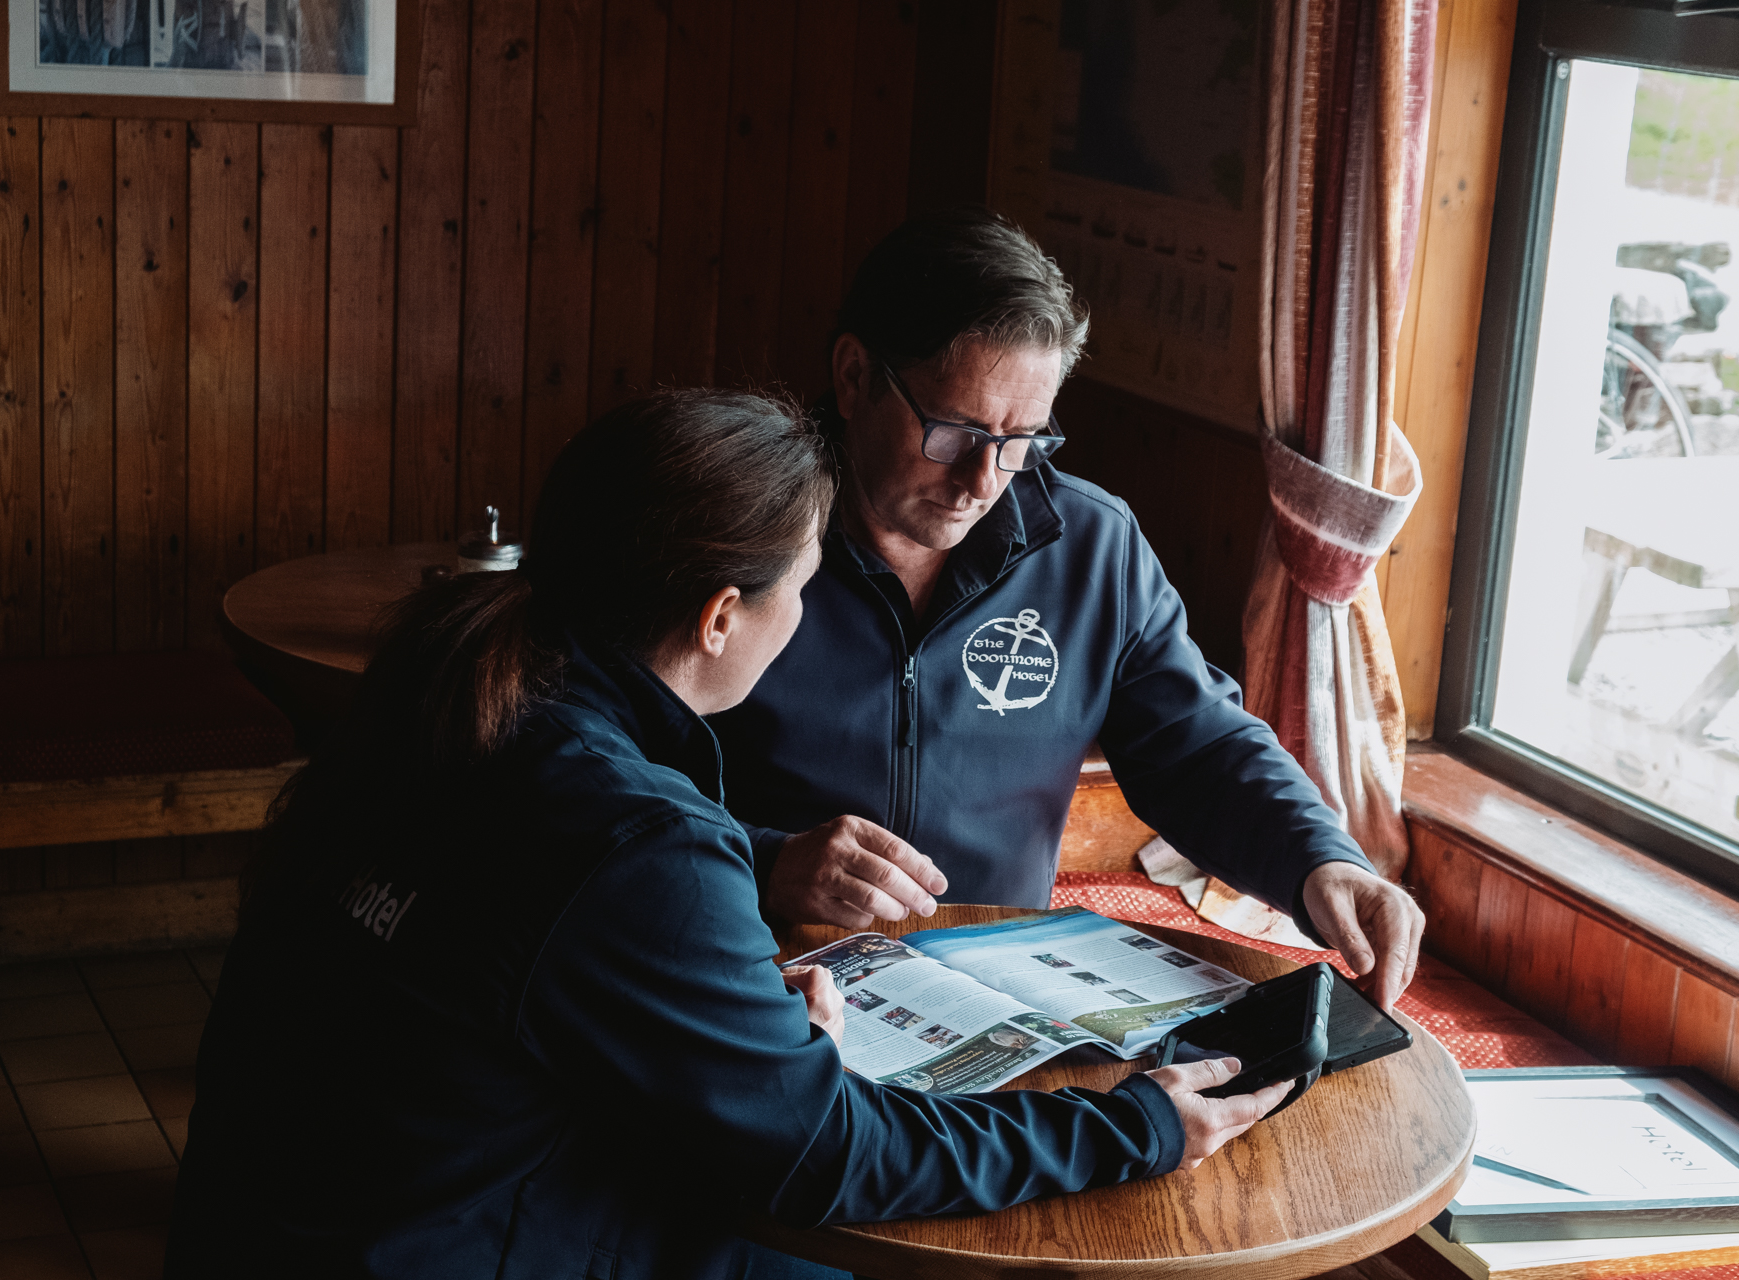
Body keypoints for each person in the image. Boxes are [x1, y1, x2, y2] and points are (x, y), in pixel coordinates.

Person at [165, 390, 1290, 1280]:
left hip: (266, 1225)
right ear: (718, 615)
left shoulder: (445, 690)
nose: (805, 618)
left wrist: (736, 1037)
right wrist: (1135, 1126)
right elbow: (828, 1153)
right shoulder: (639, 839)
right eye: (799, 588)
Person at [711, 209, 1424, 1008]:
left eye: (1022, 441)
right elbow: (602, 779)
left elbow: (1199, 748)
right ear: (853, 377)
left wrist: (1323, 859)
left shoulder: (1091, 548)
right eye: (955, 433)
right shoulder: (736, 534)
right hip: (757, 976)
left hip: (994, 997)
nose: (984, 481)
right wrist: (766, 860)